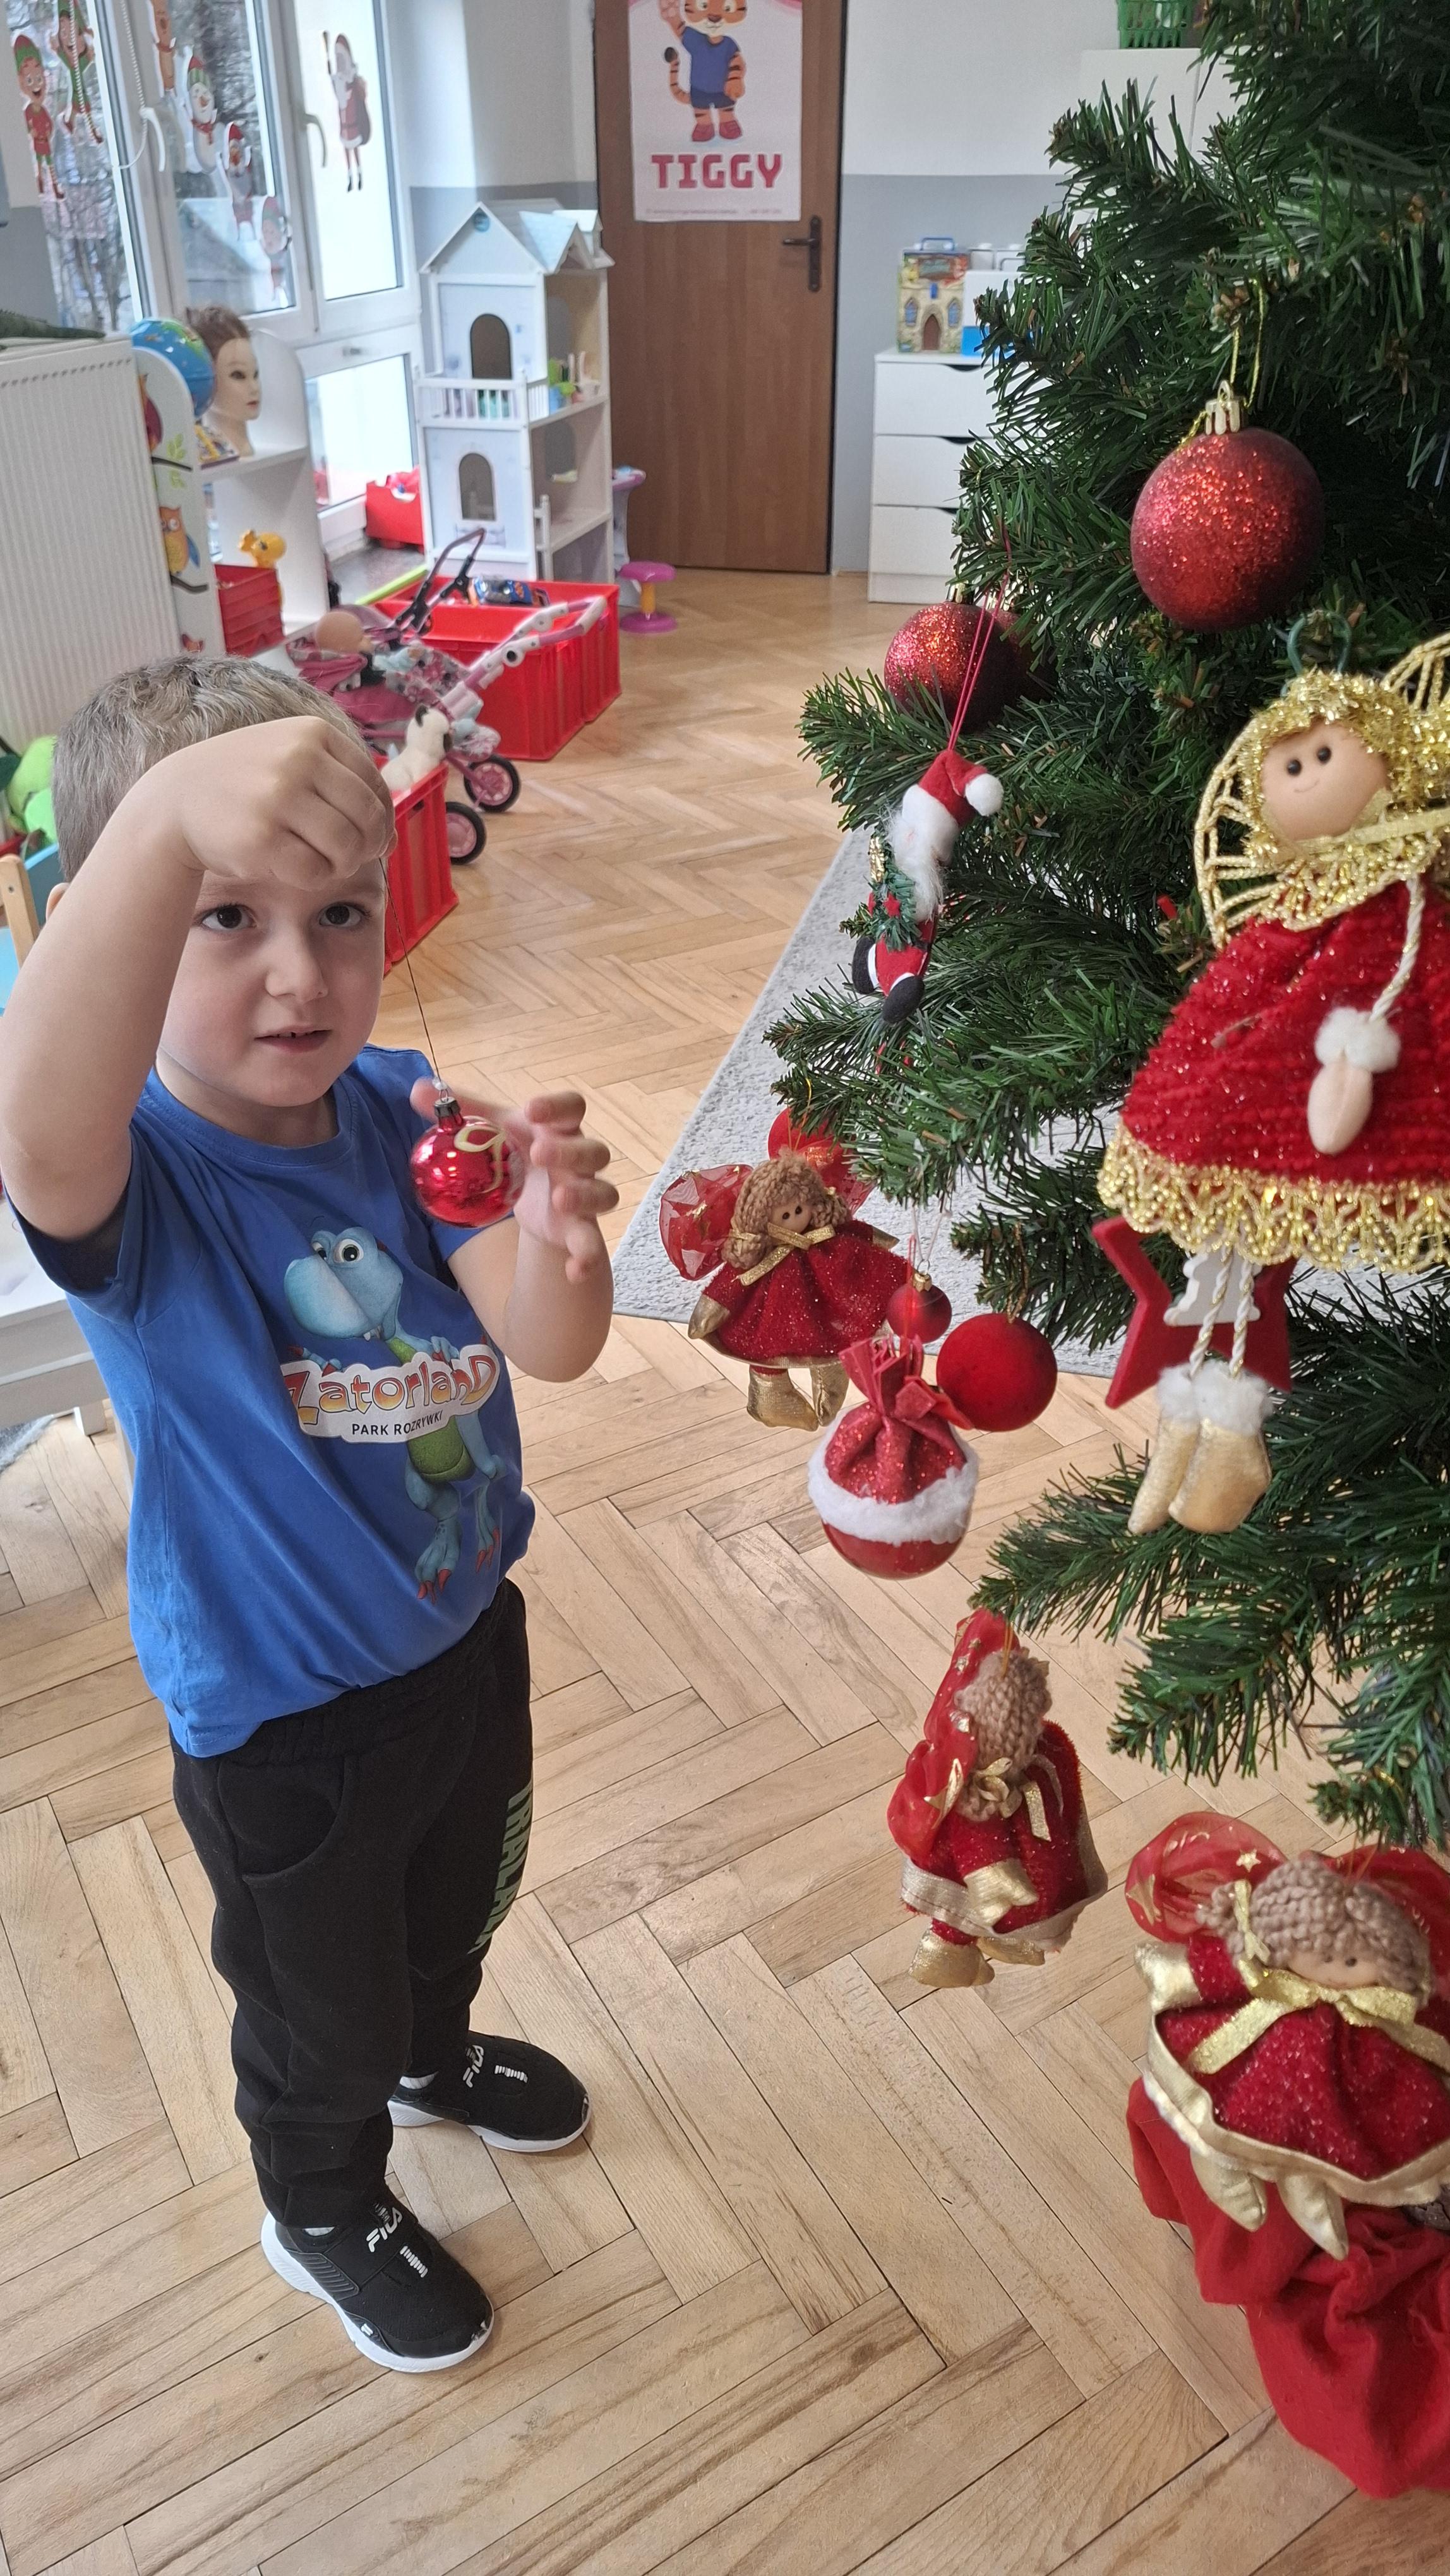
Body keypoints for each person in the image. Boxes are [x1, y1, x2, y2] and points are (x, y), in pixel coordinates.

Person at [0, 657, 618, 2374]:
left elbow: (549, 1345)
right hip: (285, 1726)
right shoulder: (134, 1175)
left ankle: (431, 2055)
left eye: (341, 912)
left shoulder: (406, 1104)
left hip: (464, 1640)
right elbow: (33, 1114)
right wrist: (159, 829)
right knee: (312, 2007)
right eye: (225, 918)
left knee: (454, 1910)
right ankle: (321, 2197)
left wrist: (563, 1243)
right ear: (124, 923)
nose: (303, 972)